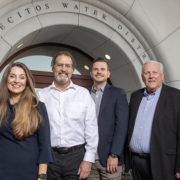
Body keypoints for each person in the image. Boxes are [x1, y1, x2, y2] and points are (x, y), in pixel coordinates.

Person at [38, 51, 98, 180]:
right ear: (53, 68)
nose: (63, 69)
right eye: (60, 65)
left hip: (76, 158)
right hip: (49, 158)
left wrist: (88, 160)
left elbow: (92, 129)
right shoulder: (40, 95)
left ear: (72, 69)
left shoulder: (83, 95)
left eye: (67, 66)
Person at [125, 60, 180, 180]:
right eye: (147, 73)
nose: (151, 76)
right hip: (136, 163)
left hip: (164, 163)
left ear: (162, 75)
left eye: (155, 72)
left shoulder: (176, 97)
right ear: (142, 77)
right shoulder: (135, 96)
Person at [0, 62, 53, 180]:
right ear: (6, 79)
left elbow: (44, 145)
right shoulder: (0, 107)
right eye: (12, 76)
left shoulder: (38, 107)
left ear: (27, 81)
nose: (16, 81)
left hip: (29, 173)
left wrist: (42, 176)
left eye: (22, 77)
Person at [88, 58, 129, 180]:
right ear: (91, 73)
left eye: (102, 69)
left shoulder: (118, 93)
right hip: (88, 159)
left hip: (109, 158)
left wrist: (114, 154)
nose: (99, 72)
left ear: (108, 73)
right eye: (96, 69)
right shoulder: (84, 94)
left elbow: (122, 126)